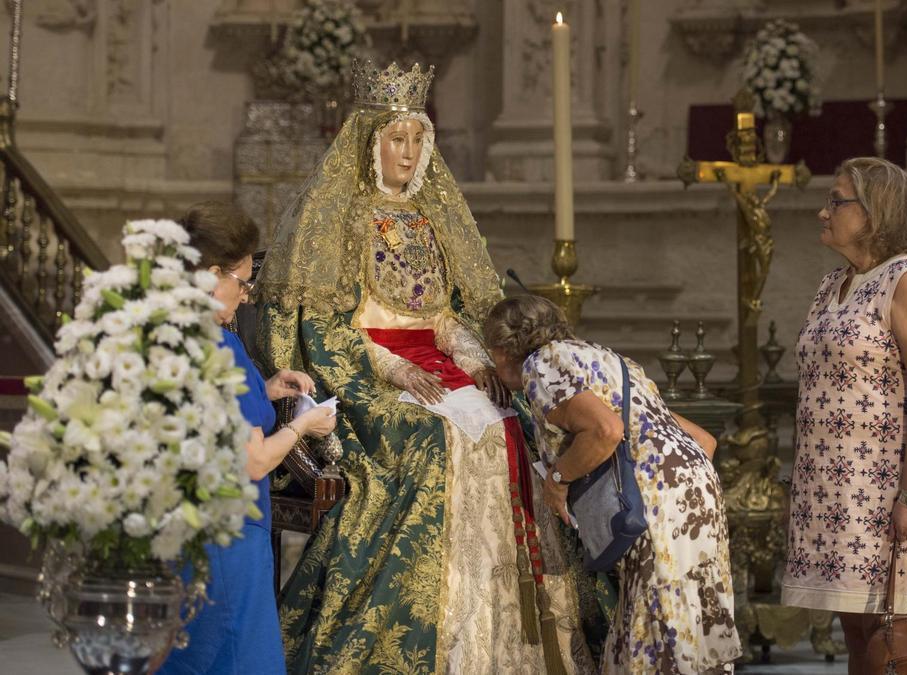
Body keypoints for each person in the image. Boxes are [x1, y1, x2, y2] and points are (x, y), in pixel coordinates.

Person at [254, 61, 601, 674]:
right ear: (369, 143)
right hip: (368, 369)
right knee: (432, 439)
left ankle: (510, 637)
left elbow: (447, 312)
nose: (410, 154)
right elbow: (321, 328)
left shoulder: (432, 217)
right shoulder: (334, 218)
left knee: (512, 425)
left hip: (441, 360)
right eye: (396, 140)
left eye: (418, 139)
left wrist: (473, 356)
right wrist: (390, 369)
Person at [483, 294, 742, 675]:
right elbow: (704, 441)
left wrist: (557, 480)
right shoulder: (606, 358)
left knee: (656, 628)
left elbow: (606, 430)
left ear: (504, 350)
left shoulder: (542, 364)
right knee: (693, 623)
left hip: (652, 504)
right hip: (697, 495)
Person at [779, 157, 907, 675]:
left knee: (890, 635)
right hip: (829, 492)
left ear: (875, 212)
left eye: (836, 201)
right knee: (856, 635)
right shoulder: (834, 282)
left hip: (882, 490)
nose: (822, 212)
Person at [159, 202, 336, 675]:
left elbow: (226, 410)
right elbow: (254, 462)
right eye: (241, 282)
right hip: (228, 539)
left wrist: (269, 387)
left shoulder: (177, 332)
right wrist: (305, 425)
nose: (245, 296)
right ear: (212, 275)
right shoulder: (217, 345)